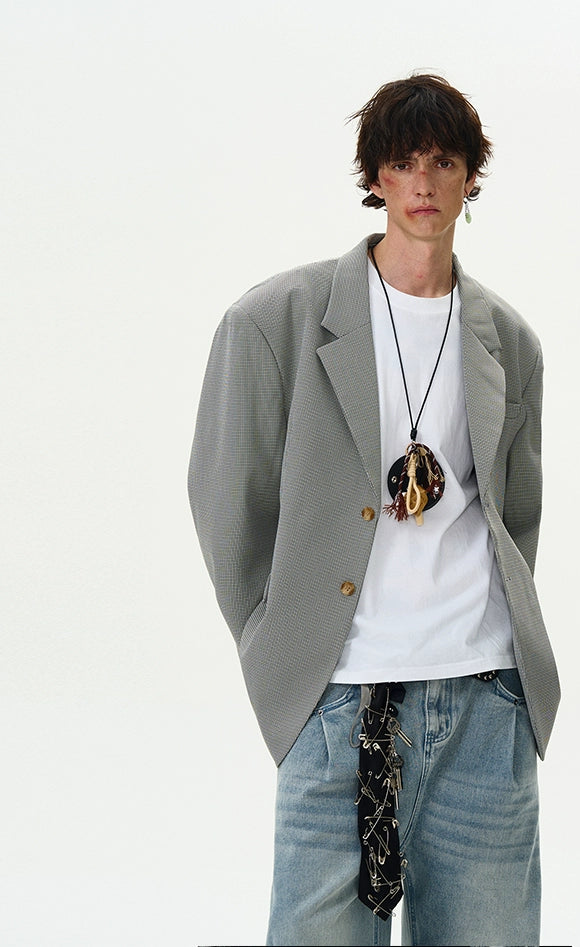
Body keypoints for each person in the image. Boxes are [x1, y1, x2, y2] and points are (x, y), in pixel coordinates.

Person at [188, 73, 560, 947]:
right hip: (339, 704)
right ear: (376, 177)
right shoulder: (273, 320)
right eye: (403, 162)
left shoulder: (509, 340)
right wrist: (280, 648)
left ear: (470, 177)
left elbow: (519, 516)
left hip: (485, 703)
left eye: (444, 162)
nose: (424, 183)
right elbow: (225, 499)